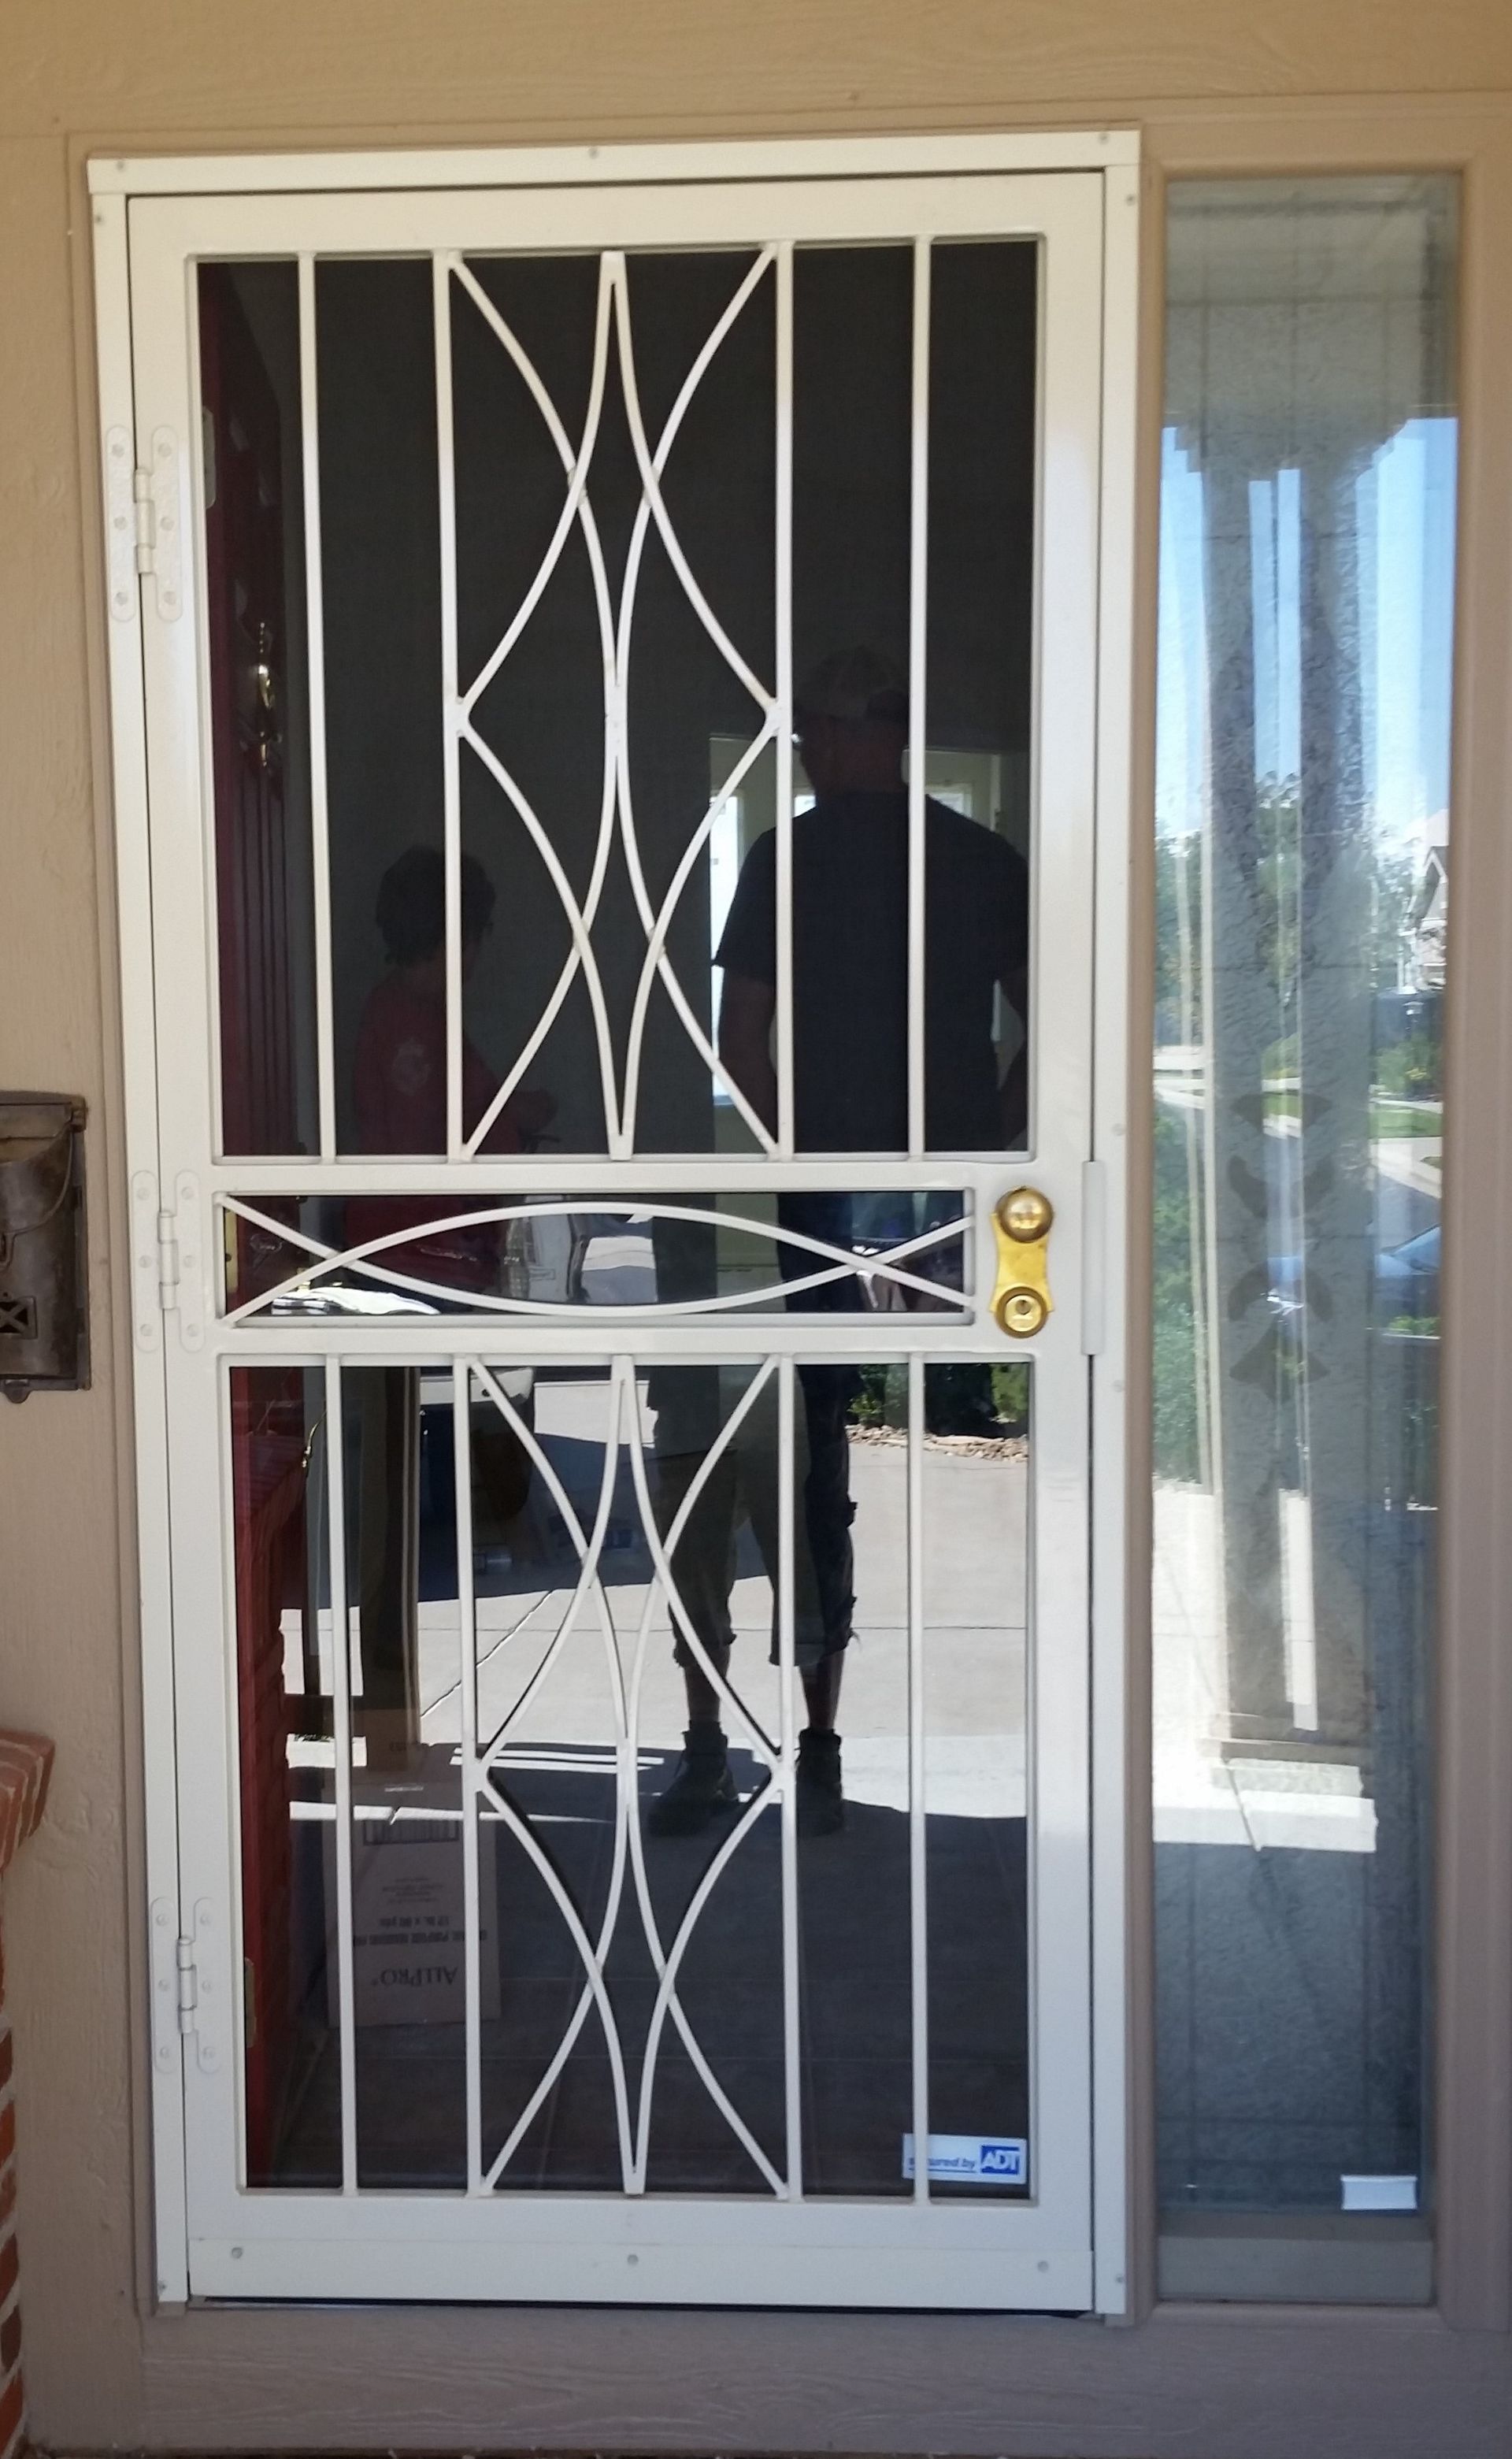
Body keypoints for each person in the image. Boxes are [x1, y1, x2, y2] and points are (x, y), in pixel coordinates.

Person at [646, 649, 1029, 1838]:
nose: (805, 745)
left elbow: (740, 1039)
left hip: (827, 1200)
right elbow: (1051, 1024)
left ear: (877, 730)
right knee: (868, 1451)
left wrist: (796, 1152)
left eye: (816, 726)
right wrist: (981, 1145)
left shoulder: (788, 857)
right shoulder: (976, 859)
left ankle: (759, 1739)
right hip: (946, 1202)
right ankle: (817, 1742)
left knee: (802, 1449)